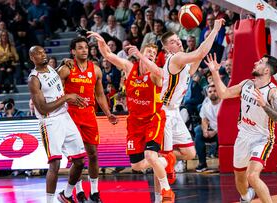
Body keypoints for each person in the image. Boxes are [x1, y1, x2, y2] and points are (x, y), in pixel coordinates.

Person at [88, 31, 176, 203]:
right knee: (137, 166)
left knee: (150, 156)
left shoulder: (154, 73)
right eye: (147, 52)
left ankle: (166, 190)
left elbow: (160, 73)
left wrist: (142, 57)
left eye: (153, 54)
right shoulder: (129, 68)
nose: (150, 55)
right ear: (141, 52)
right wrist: (101, 42)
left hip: (153, 118)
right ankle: (167, 159)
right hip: (135, 122)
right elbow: (108, 55)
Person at [206, 53, 277, 203]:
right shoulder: (246, 84)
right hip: (243, 136)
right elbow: (224, 93)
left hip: (262, 138)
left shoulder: (272, 92)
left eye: (260, 62)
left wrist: (264, 104)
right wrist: (215, 72)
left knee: (252, 176)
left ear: (267, 70)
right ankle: (246, 197)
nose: (255, 63)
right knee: (240, 179)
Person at [159, 18, 225, 184]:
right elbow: (200, 53)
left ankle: (155, 156)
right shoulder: (175, 58)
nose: (178, 43)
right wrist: (215, 30)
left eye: (177, 39)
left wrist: (209, 66)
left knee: (190, 153)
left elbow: (195, 63)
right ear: (167, 48)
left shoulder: (182, 62)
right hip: (164, 111)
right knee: (166, 166)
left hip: (174, 111)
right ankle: (160, 170)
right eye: (173, 42)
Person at [58, 36, 118, 202]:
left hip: (89, 115)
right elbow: (54, 89)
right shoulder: (66, 68)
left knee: (93, 154)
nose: (84, 50)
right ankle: (78, 191)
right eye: (80, 47)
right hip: (71, 116)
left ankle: (94, 192)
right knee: (78, 158)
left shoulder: (96, 69)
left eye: (85, 47)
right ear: (73, 51)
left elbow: (99, 94)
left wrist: (108, 113)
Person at [28, 46, 87, 203]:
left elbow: (54, 81)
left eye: (43, 52)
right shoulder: (34, 79)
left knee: (80, 160)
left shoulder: (49, 68)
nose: (43, 55)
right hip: (50, 122)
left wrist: (63, 63)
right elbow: (43, 108)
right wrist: (67, 97)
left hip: (64, 117)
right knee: (55, 164)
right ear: (32, 58)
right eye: (38, 54)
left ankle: (66, 194)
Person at [194, 84, 222, 172]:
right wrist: (205, 131)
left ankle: (222, 163)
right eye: (210, 92)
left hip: (222, 132)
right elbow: (204, 119)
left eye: (215, 91)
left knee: (222, 135)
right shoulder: (206, 105)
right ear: (207, 94)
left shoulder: (223, 103)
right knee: (198, 130)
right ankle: (202, 163)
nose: (212, 93)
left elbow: (226, 122)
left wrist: (215, 132)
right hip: (211, 130)